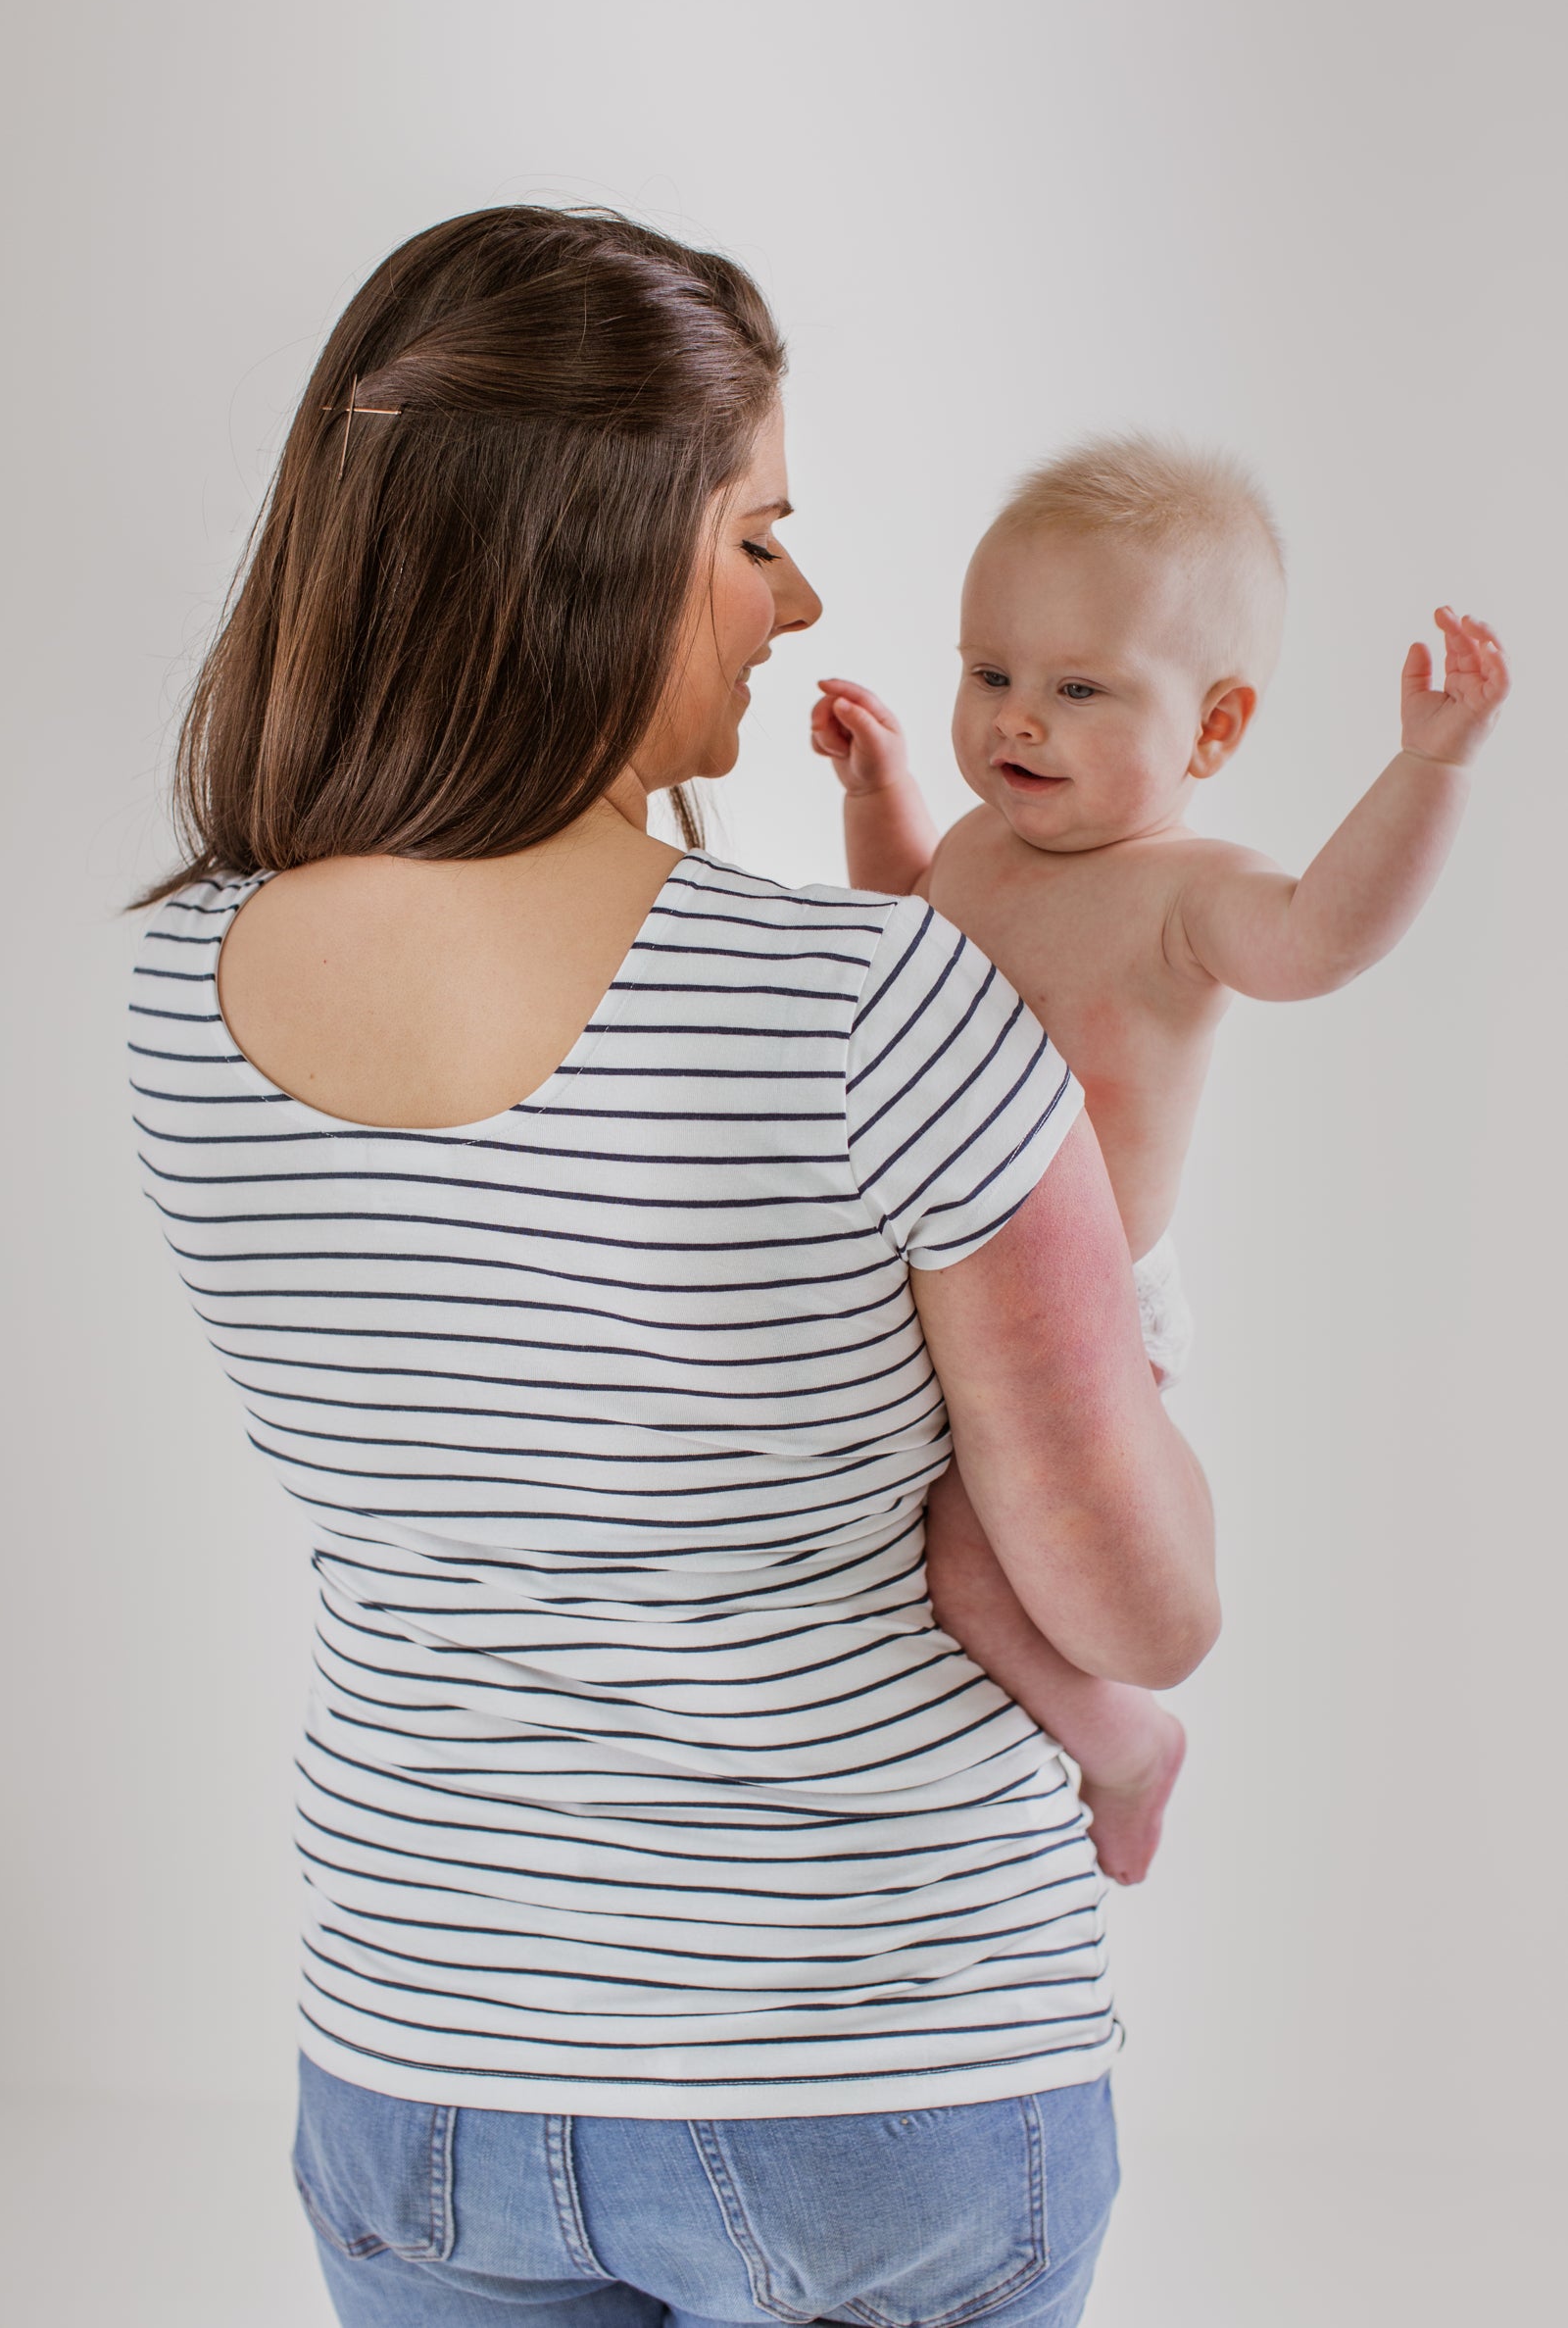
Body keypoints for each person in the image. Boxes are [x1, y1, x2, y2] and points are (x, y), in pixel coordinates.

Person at [132, 209, 1216, 2328]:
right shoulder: (872, 999)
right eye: (756, 532)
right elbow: (1145, 1603)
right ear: (592, 543)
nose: (802, 599)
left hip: (418, 2069)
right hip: (870, 2065)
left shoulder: (188, 986)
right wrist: (1134, 1296)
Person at [810, 433, 1510, 1887]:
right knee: (885, 1550)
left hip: (1089, 1322)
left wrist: (1428, 767)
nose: (1019, 721)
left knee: (969, 1569)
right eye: (989, 672)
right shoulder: (978, 859)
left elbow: (1322, 940)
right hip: (943, 1303)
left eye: (1079, 689)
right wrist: (878, 793)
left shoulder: (1188, 894)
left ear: (1212, 729)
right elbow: (897, 948)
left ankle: (1124, 1744)